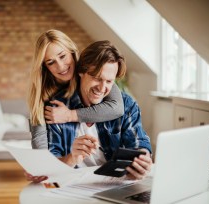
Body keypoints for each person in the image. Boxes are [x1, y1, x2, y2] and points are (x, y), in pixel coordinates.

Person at [26, 30, 125, 182]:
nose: (60, 66)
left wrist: (69, 115)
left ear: (72, 51)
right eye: (51, 62)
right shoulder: (43, 95)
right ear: (44, 66)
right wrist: (40, 168)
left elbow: (117, 107)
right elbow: (40, 144)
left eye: (62, 56)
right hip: (69, 173)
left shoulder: (91, 70)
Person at [47, 40, 152, 180]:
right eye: (97, 78)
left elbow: (139, 143)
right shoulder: (57, 109)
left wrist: (143, 159)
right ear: (81, 72)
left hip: (116, 184)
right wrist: (71, 158)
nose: (102, 89)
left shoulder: (127, 105)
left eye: (109, 81)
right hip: (74, 185)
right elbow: (50, 166)